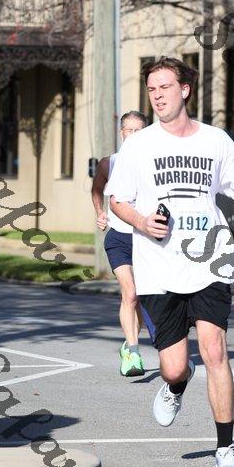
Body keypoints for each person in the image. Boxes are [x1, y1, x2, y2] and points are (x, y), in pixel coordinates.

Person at [105, 57, 234, 467]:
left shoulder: (215, 140)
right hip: (158, 267)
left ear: (185, 90)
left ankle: (225, 449)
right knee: (175, 365)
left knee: (215, 350)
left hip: (210, 259)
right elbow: (117, 199)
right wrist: (142, 222)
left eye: (164, 87)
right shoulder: (138, 146)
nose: (157, 96)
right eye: (151, 89)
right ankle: (177, 383)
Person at [91, 110, 147, 377]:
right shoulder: (109, 163)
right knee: (130, 294)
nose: (134, 135)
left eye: (139, 131)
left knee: (143, 299)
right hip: (119, 238)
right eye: (129, 131)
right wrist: (99, 212)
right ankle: (133, 353)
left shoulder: (153, 163)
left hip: (146, 239)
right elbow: (96, 189)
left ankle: (129, 341)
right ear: (121, 133)